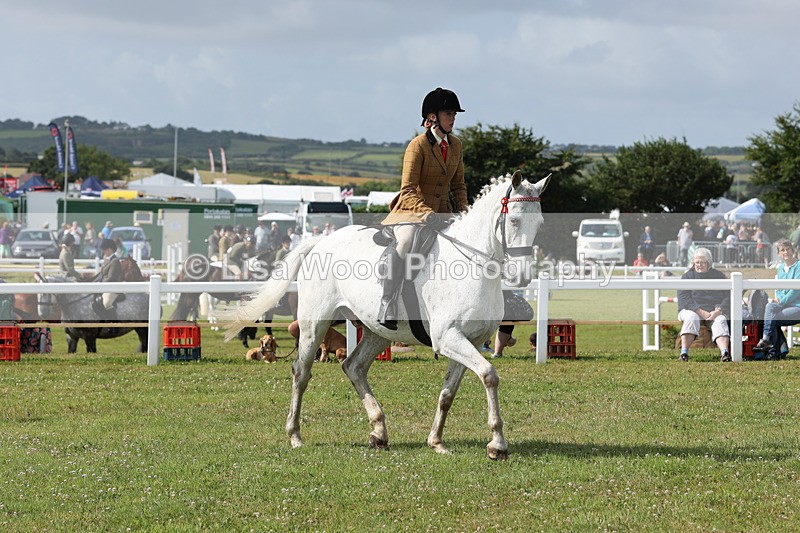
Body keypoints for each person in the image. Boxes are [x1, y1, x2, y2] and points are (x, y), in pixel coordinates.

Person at [378, 87, 468, 329]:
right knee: (406, 242)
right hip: (411, 211)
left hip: (443, 213)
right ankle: (387, 302)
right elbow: (407, 189)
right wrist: (426, 214)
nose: (453, 118)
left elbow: (458, 185)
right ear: (433, 117)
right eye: (449, 113)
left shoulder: (456, 145)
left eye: (454, 114)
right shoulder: (417, 146)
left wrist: (463, 212)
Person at [677, 247, 731, 362]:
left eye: (702, 262)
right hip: (690, 310)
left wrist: (718, 310)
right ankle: (684, 353)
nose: (699, 265)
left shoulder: (719, 276)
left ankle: (725, 353)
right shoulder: (687, 276)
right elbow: (684, 299)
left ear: (709, 263)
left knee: (721, 320)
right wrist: (700, 311)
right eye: (697, 262)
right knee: (692, 317)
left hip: (714, 311)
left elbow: (727, 296)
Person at [754, 239, 800, 359]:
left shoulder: (799, 266)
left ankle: (772, 349)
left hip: (797, 306)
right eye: (782, 250)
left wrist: (781, 301)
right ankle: (773, 348)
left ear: (792, 250)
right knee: (770, 308)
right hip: (783, 306)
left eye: (788, 249)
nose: (785, 252)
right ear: (779, 253)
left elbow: (795, 290)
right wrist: (779, 300)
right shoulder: (780, 269)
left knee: (771, 319)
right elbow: (778, 289)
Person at [92, 239, 123, 318]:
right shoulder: (107, 260)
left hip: (112, 288)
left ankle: (114, 325)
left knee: (106, 303)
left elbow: (111, 277)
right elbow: (101, 274)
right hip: (104, 286)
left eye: (104, 250)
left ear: (110, 249)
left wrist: (100, 284)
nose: (103, 251)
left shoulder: (115, 261)